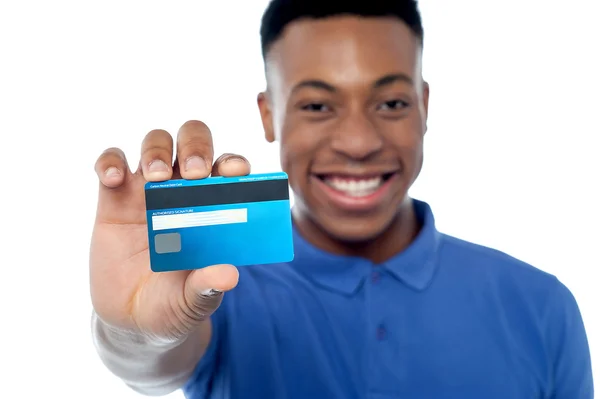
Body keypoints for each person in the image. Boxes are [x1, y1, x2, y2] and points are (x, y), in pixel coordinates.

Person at [89, 1, 594, 398]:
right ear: (269, 116)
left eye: (391, 102)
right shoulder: (216, 287)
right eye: (317, 105)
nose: (358, 142)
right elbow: (155, 364)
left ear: (423, 106)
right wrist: (133, 332)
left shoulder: (543, 307)